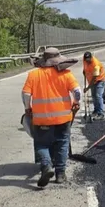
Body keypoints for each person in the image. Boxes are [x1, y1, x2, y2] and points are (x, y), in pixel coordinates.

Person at [22, 47, 82, 188]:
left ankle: (47, 166)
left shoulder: (33, 75)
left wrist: (27, 108)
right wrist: (76, 102)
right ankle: (60, 174)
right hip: (63, 118)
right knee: (62, 143)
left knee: (42, 144)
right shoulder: (66, 74)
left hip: (41, 119)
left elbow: (25, 94)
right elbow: (77, 91)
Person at [82, 51, 105, 120]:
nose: (87, 61)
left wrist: (87, 88)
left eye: (88, 60)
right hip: (92, 81)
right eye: (86, 60)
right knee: (93, 96)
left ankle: (101, 113)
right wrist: (84, 71)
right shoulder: (84, 60)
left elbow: (94, 79)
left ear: (91, 58)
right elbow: (84, 67)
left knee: (98, 96)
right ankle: (96, 110)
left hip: (100, 80)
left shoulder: (95, 64)